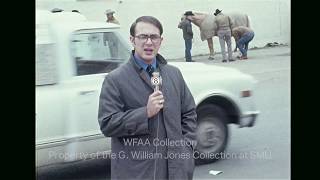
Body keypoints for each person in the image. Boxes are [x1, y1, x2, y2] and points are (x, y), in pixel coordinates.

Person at [98, 16, 197, 180]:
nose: (149, 42)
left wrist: (187, 148)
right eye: (143, 37)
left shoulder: (174, 74)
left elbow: (189, 113)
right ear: (132, 40)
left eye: (154, 37)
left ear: (161, 40)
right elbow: (107, 124)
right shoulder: (115, 79)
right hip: (137, 172)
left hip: (176, 170)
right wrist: (145, 113)